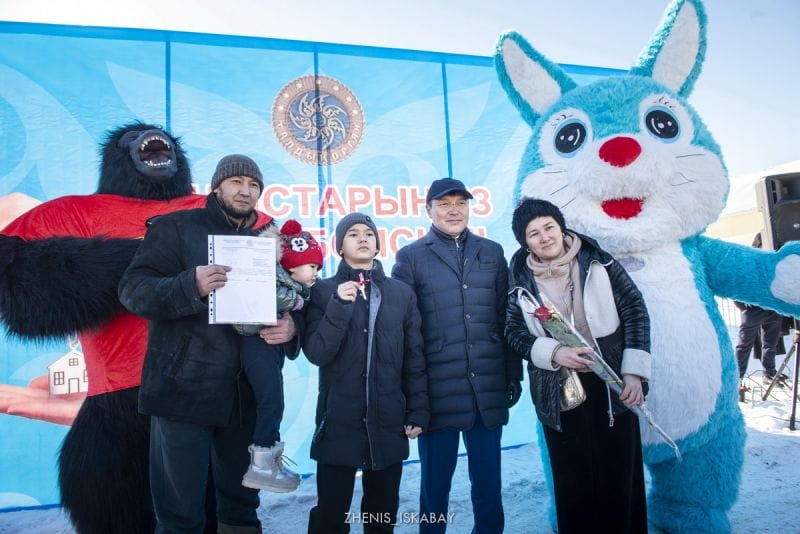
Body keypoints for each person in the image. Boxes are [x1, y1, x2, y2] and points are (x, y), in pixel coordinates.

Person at [119, 154, 298, 533]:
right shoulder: (176, 228)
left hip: (243, 397)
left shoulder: (268, 241)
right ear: (217, 186)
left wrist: (290, 328)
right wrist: (191, 285)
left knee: (241, 505)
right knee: (180, 510)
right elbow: (133, 292)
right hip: (183, 391)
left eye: (253, 185)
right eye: (236, 182)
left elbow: (293, 297)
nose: (245, 191)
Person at [504, 198, 650, 534]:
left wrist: (634, 372)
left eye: (549, 227)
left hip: (612, 383)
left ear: (561, 227)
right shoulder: (520, 280)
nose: (544, 237)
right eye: (533, 233)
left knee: (619, 480)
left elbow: (635, 311)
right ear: (524, 242)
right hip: (559, 389)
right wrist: (554, 352)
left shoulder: (598, 260)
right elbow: (513, 333)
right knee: (574, 484)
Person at [392, 177, 520, 533]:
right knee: (435, 489)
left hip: (486, 389)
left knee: (489, 486)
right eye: (444, 203)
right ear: (428, 209)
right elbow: (406, 333)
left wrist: (512, 374)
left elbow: (505, 317)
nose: (453, 210)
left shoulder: (492, 252)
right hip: (436, 394)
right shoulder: (410, 257)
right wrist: (412, 397)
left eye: (460, 203)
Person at [303, 212, 429, 534]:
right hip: (338, 418)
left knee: (381, 514)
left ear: (377, 244)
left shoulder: (402, 294)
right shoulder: (322, 291)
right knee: (331, 514)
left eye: (369, 234)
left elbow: (413, 358)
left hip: (387, 420)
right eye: (353, 233)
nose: (363, 238)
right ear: (339, 247)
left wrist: (416, 409)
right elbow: (317, 353)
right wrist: (338, 306)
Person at [235, 219, 322, 492]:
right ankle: (261, 465)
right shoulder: (274, 280)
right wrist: (297, 301)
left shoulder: (293, 285)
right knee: (271, 402)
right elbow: (267, 298)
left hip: (268, 349)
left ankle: (268, 459)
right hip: (257, 346)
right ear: (292, 265)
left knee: (274, 402)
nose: (316, 273)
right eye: (312, 266)